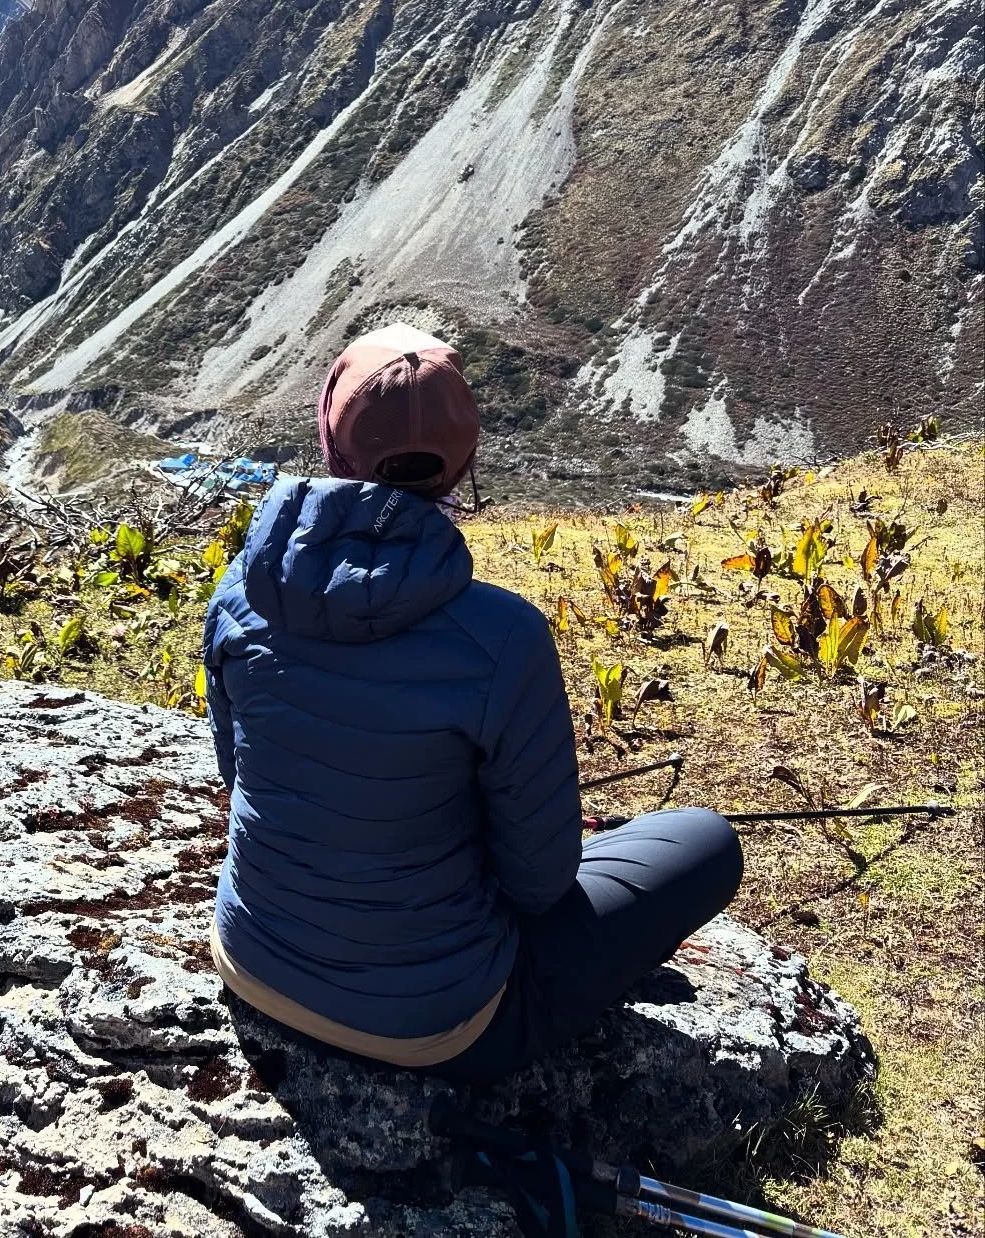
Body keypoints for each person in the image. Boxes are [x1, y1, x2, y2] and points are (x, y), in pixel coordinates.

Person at [202, 323, 743, 1079]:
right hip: (438, 1025)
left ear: (331, 446)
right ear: (464, 464)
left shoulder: (240, 592)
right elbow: (538, 884)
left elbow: (240, 777)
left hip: (253, 966)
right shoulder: (504, 637)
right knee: (705, 843)